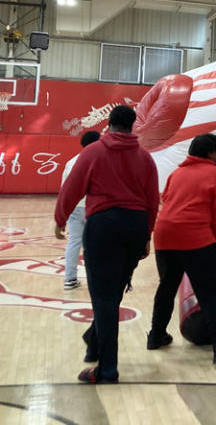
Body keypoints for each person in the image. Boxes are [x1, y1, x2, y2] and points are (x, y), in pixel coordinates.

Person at [54, 105, 159, 384]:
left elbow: (72, 188)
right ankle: (93, 341)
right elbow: (152, 200)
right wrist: (147, 234)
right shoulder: (145, 158)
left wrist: (60, 218)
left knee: (104, 298)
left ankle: (107, 369)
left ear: (109, 124)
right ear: (133, 126)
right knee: (113, 295)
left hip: (104, 227)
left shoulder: (93, 152)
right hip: (135, 227)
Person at [147, 133, 216, 367]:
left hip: (165, 236)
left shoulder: (177, 173)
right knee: (210, 293)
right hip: (196, 239)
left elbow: (166, 200)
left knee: (167, 286)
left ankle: (156, 336)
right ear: (211, 152)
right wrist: (214, 241)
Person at [56, 131, 101, 290]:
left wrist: (61, 216)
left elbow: (64, 191)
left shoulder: (71, 162)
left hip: (75, 208)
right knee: (95, 245)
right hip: (93, 208)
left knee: (74, 242)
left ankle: (70, 279)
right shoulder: (101, 160)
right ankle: (96, 280)